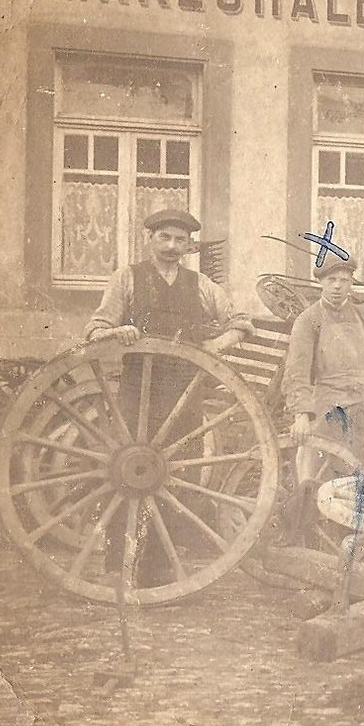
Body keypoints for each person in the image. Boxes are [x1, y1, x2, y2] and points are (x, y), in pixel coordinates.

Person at [86, 208, 254, 585]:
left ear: (188, 245)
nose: (172, 246)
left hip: (183, 392)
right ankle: (117, 567)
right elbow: (96, 329)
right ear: (150, 239)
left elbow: (242, 323)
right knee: (123, 472)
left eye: (180, 240)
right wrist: (120, 331)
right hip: (136, 390)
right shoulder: (126, 278)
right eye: (165, 238)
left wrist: (217, 344)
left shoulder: (201, 285)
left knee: (175, 478)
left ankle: (159, 569)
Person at [283, 256, 364, 479]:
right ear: (321, 282)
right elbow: (297, 371)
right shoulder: (308, 320)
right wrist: (301, 414)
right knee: (318, 481)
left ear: (351, 283)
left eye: (344, 280)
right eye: (332, 279)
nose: (338, 286)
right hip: (329, 413)